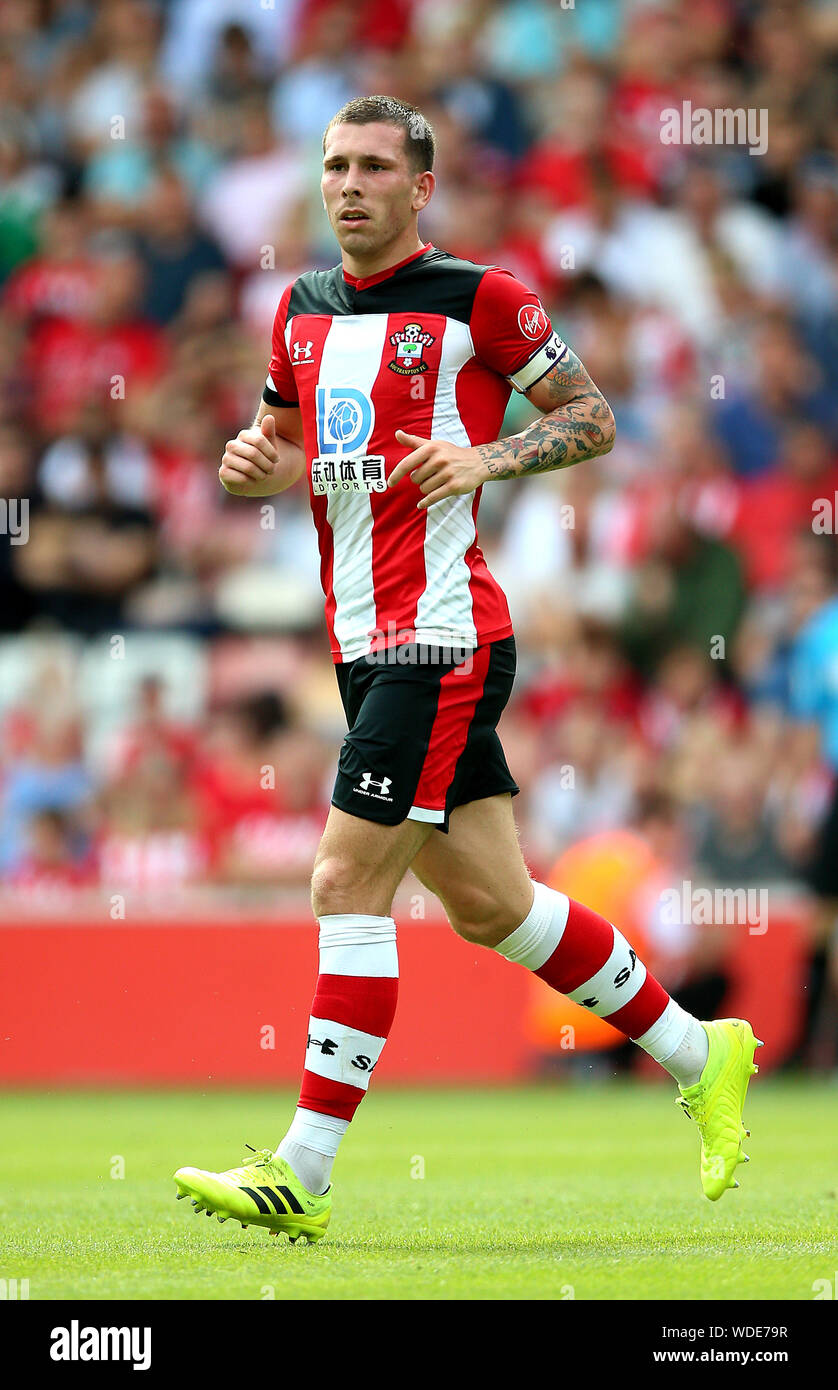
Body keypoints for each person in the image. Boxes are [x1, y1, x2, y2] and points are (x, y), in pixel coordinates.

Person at [174, 96, 761, 1243]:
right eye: (335, 163)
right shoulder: (298, 311)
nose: (348, 184)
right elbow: (279, 442)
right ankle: (705, 1049)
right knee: (491, 903)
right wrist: (253, 464)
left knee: (346, 881)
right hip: (357, 641)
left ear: (419, 188)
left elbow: (591, 414)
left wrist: (486, 452)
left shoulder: (479, 299)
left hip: (440, 639)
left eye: (374, 167)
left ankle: (304, 1168)